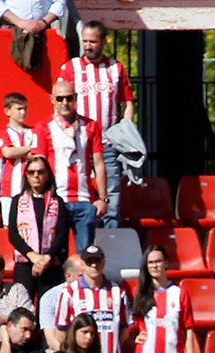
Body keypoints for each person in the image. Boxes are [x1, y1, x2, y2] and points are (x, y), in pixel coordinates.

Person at [59, 21, 134, 230]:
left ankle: (110, 240)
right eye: (85, 41)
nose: (88, 46)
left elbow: (127, 102)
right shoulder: (70, 67)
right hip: (78, 141)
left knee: (111, 193)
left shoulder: (116, 69)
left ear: (103, 41)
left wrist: (125, 130)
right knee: (78, 191)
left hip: (108, 142)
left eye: (92, 41)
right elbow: (59, 100)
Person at [35, 78, 107, 252]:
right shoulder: (44, 127)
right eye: (60, 98)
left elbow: (98, 163)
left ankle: (83, 280)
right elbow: (39, 164)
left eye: (69, 98)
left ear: (75, 98)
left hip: (84, 198)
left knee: (86, 253)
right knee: (57, 254)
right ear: (52, 99)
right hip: (56, 198)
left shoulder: (90, 126)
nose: (64, 103)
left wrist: (103, 199)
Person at [53, 244, 131, 353]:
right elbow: (61, 331)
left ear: (104, 262)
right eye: (89, 261)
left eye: (98, 260)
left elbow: (125, 331)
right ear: (82, 264)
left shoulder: (117, 291)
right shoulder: (69, 292)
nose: (94, 265)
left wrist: (112, 348)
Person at [131, 245, 196, 353]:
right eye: (150, 262)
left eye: (158, 261)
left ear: (166, 263)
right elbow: (131, 326)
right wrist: (133, 338)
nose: (155, 265)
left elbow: (189, 330)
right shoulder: (139, 293)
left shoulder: (179, 293)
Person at [8, 153, 71, 301]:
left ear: (48, 175)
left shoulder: (57, 201)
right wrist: (33, 256)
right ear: (26, 176)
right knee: (23, 308)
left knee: (48, 308)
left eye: (40, 172)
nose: (36, 176)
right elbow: (13, 234)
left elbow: (62, 234)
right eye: (31, 172)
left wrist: (45, 259)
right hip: (25, 262)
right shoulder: (17, 200)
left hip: (50, 263)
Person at [0, 93, 39, 226]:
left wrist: (18, 151)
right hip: (9, 188)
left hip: (31, 187)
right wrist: (28, 149)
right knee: (9, 226)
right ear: (7, 111)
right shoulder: (3, 132)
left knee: (31, 225)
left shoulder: (34, 131)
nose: (23, 112)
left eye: (25, 108)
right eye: (19, 109)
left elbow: (37, 153)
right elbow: (7, 152)